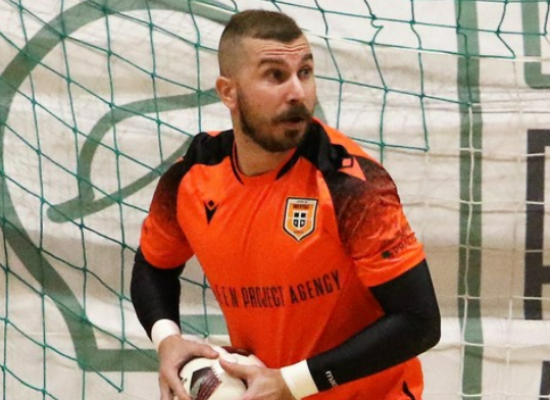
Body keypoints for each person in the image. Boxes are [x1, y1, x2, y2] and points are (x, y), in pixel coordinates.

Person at [131, 9, 441, 400]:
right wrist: (167, 339)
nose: (297, 92)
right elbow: (152, 265)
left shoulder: (349, 184)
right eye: (275, 75)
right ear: (228, 92)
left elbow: (419, 321)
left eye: (305, 72)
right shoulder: (192, 176)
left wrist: (291, 383)